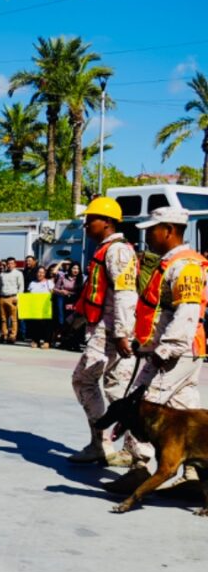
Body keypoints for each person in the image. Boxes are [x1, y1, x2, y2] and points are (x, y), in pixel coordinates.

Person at [123, 205, 206, 490]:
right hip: (184, 350)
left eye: (152, 230)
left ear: (169, 230)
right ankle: (194, 475)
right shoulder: (173, 262)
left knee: (144, 406)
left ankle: (140, 468)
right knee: (185, 409)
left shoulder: (184, 266)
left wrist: (163, 351)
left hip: (175, 352)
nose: (148, 236)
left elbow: (187, 312)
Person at [67, 197, 139, 466]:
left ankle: (105, 444)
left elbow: (125, 293)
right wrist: (76, 318)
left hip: (110, 332)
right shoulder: (107, 250)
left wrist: (122, 332)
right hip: (106, 329)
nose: (86, 225)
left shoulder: (117, 251)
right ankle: (124, 449)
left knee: (86, 381)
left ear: (107, 222)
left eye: (91, 219)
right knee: (115, 390)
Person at [0, 257, 25, 343]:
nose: (10, 265)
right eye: (8, 263)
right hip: (2, 297)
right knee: (3, 319)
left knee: (13, 319)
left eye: (12, 263)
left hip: (12, 297)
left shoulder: (18, 274)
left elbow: (21, 287)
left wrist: (18, 297)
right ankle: (4, 334)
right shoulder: (2, 274)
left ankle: (12, 336)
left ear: (15, 264)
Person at [26, 267, 54, 348]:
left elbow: (52, 293)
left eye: (42, 272)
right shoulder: (32, 283)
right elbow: (29, 294)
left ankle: (46, 341)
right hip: (35, 307)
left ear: (45, 273)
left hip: (46, 307)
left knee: (46, 324)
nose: (40, 274)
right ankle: (35, 340)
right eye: (39, 272)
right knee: (35, 324)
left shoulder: (49, 282)